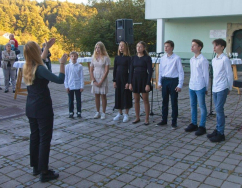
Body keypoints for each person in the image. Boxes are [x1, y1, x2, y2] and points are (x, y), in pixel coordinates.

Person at [23, 38, 68, 182]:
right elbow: (60, 80)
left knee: (35, 137)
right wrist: (61, 63)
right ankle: (44, 172)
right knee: (44, 139)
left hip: (31, 107)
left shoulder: (27, 66)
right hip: (43, 108)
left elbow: (40, 59)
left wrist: (46, 47)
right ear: (36, 52)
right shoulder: (40, 69)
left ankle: (36, 167)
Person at [207, 38, 233, 142]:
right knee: (217, 110)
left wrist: (229, 87)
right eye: (214, 45)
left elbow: (229, 74)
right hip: (215, 87)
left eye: (217, 45)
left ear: (222, 47)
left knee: (219, 110)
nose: (214, 47)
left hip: (222, 87)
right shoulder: (214, 59)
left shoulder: (225, 59)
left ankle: (221, 133)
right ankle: (217, 129)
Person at [157, 40, 184, 129]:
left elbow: (180, 72)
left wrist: (180, 84)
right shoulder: (163, 58)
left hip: (173, 81)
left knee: (173, 102)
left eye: (167, 46)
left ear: (172, 48)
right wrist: (159, 82)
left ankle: (174, 122)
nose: (165, 48)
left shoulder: (176, 58)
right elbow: (160, 71)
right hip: (165, 80)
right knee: (164, 101)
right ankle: (164, 120)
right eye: (165, 46)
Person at [185, 39, 209, 136]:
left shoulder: (203, 60)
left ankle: (202, 126)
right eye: (192, 45)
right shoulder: (192, 59)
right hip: (192, 85)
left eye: (194, 45)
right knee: (193, 105)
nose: (192, 47)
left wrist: (206, 88)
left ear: (199, 47)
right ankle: (194, 123)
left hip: (200, 86)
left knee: (202, 106)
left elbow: (206, 75)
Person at [129, 41, 152, 125]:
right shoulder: (133, 58)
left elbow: (150, 71)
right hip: (135, 80)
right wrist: (130, 83)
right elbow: (130, 71)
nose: (138, 48)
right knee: (136, 100)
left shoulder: (147, 58)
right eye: (137, 46)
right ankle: (137, 117)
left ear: (144, 48)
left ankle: (146, 118)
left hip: (144, 80)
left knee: (145, 100)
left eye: (140, 47)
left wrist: (148, 83)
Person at [113, 41, 132, 122]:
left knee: (126, 95)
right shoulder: (117, 58)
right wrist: (114, 80)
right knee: (118, 95)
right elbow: (114, 70)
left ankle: (126, 114)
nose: (121, 47)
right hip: (118, 79)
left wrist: (128, 82)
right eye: (120, 46)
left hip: (125, 79)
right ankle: (119, 113)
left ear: (126, 47)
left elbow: (130, 71)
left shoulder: (129, 58)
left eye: (122, 46)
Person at [90, 41, 110, 120]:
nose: (97, 49)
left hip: (102, 78)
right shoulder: (93, 57)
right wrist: (94, 80)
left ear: (102, 48)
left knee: (103, 96)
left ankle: (103, 113)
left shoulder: (106, 58)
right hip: (95, 77)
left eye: (98, 47)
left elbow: (107, 71)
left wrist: (101, 81)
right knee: (96, 96)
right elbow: (91, 70)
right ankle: (97, 112)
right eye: (96, 47)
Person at [64, 51, 84, 118]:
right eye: (72, 56)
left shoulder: (80, 66)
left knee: (78, 100)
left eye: (75, 56)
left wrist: (82, 86)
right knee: (70, 100)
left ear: (77, 57)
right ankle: (71, 112)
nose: (73, 57)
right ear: (70, 57)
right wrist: (66, 86)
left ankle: (79, 112)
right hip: (70, 86)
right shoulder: (67, 66)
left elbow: (81, 77)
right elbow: (66, 77)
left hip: (78, 86)